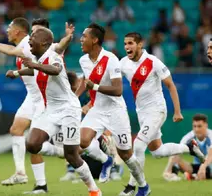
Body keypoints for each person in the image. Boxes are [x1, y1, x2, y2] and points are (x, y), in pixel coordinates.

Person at [0, 17, 73, 190]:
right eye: (32, 31)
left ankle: (57, 159)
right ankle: (24, 173)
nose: (33, 35)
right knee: (17, 131)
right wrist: (16, 72)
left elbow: (12, 52)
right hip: (32, 97)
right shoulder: (29, 46)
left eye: (36, 32)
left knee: (32, 142)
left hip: (43, 99)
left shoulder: (34, 47)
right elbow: (28, 63)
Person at [6, 27, 101, 196]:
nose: (29, 40)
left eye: (33, 37)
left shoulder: (53, 56)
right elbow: (34, 69)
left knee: (72, 156)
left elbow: (55, 69)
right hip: (51, 109)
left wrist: (35, 64)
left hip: (68, 109)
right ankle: (59, 151)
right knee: (32, 144)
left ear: (43, 42)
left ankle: (93, 189)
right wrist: (16, 72)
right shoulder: (39, 58)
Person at [119, 32, 205, 195]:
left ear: (139, 44)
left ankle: (134, 187)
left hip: (157, 110)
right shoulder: (124, 63)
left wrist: (177, 111)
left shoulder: (153, 62)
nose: (127, 47)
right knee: (157, 152)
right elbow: (110, 77)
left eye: (130, 43)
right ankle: (189, 147)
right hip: (142, 113)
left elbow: (171, 85)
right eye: (125, 44)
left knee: (137, 145)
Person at [76, 23, 149, 196]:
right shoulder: (83, 60)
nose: (81, 39)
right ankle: (106, 160)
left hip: (116, 111)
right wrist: (74, 98)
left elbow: (118, 90)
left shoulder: (111, 59)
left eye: (84, 36)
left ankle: (144, 186)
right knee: (82, 141)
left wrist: (94, 86)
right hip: (97, 109)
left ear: (94, 40)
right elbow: (85, 83)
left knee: (127, 155)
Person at [163, 114, 212, 181]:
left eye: (199, 126)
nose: (196, 129)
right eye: (194, 126)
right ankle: (173, 175)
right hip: (196, 166)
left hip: (209, 165)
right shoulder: (188, 137)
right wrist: (167, 170)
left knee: (208, 169)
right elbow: (176, 152)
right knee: (177, 157)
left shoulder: (210, 136)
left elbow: (210, 156)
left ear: (206, 125)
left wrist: (203, 167)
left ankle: (193, 176)